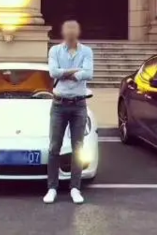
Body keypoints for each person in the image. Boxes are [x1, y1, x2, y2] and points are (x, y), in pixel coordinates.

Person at [43, 20, 93, 204]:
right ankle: (52, 188)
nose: (71, 32)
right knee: (54, 147)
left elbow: (88, 74)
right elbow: (53, 72)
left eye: (74, 29)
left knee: (78, 148)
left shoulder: (86, 51)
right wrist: (75, 71)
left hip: (79, 105)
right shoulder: (55, 51)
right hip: (59, 104)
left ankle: (75, 188)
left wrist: (65, 73)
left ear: (78, 32)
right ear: (63, 32)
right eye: (68, 29)